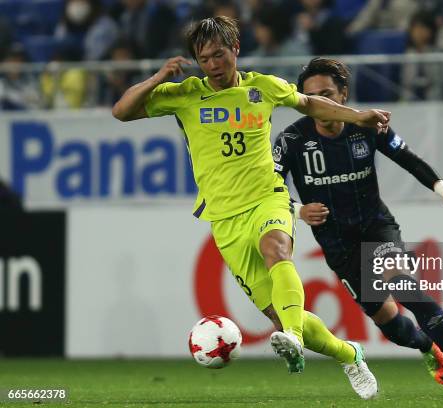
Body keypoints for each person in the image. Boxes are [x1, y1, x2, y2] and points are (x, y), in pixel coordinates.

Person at [111, 17, 390, 399]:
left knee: (277, 248)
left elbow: (309, 103)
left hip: (267, 197)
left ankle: (290, 336)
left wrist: (359, 115)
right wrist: (159, 76)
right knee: (277, 312)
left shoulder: (263, 87)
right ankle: (349, 354)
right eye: (204, 58)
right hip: (224, 217)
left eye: (220, 55)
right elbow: (122, 111)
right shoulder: (187, 94)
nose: (213, 65)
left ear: (235, 49)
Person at [273, 57, 443, 394]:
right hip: (338, 244)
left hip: (376, 227)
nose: (321, 104)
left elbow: (409, 159)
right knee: (391, 325)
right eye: (313, 98)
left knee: (401, 283)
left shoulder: (366, 126)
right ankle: (429, 348)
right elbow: (270, 186)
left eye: (327, 94)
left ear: (343, 95)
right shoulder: (292, 140)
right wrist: (297, 210)